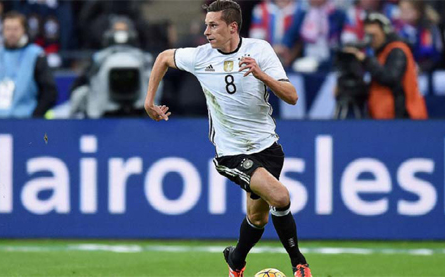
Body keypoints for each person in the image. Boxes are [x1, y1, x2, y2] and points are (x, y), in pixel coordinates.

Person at [144, 1, 312, 276]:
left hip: (267, 147)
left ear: (232, 27)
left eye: (213, 25)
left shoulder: (259, 50)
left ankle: (236, 260)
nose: (206, 31)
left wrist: (261, 74)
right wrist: (149, 102)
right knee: (280, 197)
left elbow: (292, 96)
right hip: (231, 153)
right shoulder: (200, 56)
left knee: (257, 218)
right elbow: (163, 57)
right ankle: (299, 264)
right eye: (206, 24)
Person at [344, 12, 427, 119]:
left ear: (385, 32)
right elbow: (377, 85)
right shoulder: (381, 52)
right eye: (367, 35)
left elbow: (390, 77)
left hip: (402, 116)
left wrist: (365, 60)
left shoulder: (397, 50)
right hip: (383, 116)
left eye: (373, 35)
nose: (370, 40)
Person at [0, 11, 57, 118]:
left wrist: (34, 117)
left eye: (15, 29)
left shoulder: (35, 54)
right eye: (8, 29)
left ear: (24, 30)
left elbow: (49, 91)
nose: (11, 33)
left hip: (25, 118)